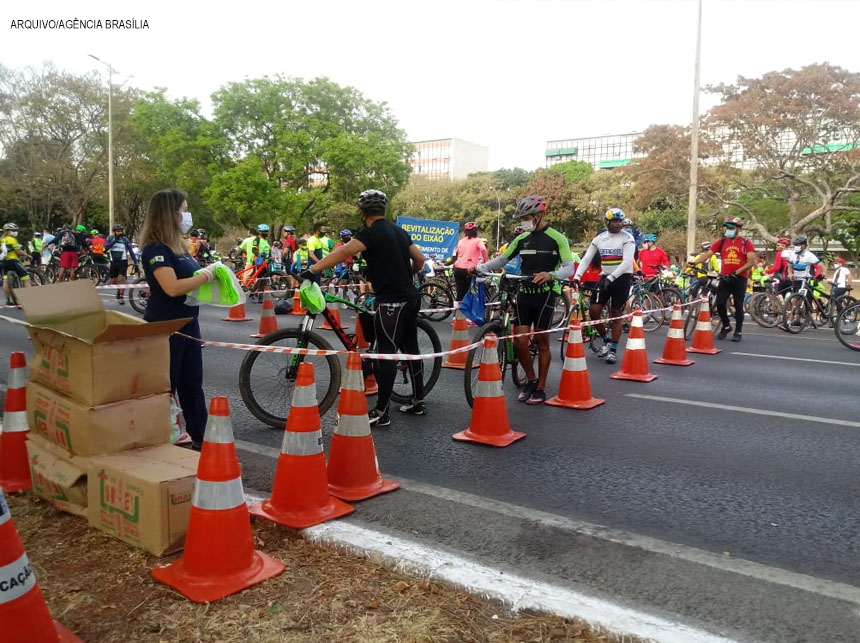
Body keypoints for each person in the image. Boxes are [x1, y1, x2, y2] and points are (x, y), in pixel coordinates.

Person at [301, 189, 426, 426]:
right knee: (412, 349)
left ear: (362, 213)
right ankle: (418, 401)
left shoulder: (369, 234)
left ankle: (381, 412)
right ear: (384, 211)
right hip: (411, 298)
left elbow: (345, 251)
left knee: (385, 354)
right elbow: (420, 260)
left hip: (391, 301)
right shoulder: (400, 232)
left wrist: (314, 270)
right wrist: (407, 275)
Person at [476, 195, 574, 404]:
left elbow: (568, 267)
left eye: (527, 217)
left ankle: (541, 387)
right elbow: (502, 259)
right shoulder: (522, 239)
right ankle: (531, 379)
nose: (524, 221)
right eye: (522, 218)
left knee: (542, 341)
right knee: (520, 342)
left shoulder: (557, 238)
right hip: (524, 294)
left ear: (539, 215)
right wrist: (480, 268)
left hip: (546, 294)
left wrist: (550, 275)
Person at [140, 189, 217, 449]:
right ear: (170, 213)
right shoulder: (155, 249)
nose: (187, 215)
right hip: (166, 327)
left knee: (192, 386)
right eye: (183, 210)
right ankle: (160, 440)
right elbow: (171, 287)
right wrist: (207, 275)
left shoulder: (180, 247)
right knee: (165, 388)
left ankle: (202, 440)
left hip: (188, 324)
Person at [572, 207, 636, 365]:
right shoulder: (600, 238)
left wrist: (613, 277)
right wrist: (577, 277)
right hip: (605, 277)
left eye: (620, 221)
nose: (618, 224)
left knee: (616, 315)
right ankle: (606, 340)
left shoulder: (627, 238)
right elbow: (586, 259)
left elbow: (627, 261)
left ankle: (613, 350)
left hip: (622, 278)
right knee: (594, 312)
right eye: (615, 221)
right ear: (607, 222)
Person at [689, 217, 757, 342]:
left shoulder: (745, 243)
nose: (728, 230)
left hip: (739, 278)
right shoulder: (722, 242)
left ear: (738, 229)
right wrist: (693, 263)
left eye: (731, 228)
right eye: (727, 228)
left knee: (738, 304)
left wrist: (737, 272)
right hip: (725, 277)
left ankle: (738, 331)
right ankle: (726, 326)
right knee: (720, 303)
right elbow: (708, 254)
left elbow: (752, 261)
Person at [452, 222, 488, 302]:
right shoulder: (478, 240)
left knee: (460, 292)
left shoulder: (461, 241)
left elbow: (456, 253)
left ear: (465, 231)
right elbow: (484, 250)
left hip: (457, 268)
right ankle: (467, 310)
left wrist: (455, 262)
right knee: (468, 292)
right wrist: (486, 262)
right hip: (469, 270)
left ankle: (457, 311)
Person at [105, 224, 138, 305]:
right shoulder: (110, 238)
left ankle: (121, 297)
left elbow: (131, 251)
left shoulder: (125, 239)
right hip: (113, 261)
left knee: (121, 278)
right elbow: (105, 248)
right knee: (113, 281)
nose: (120, 232)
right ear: (114, 232)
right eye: (118, 231)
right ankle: (119, 289)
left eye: (121, 230)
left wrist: (135, 261)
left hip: (123, 261)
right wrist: (114, 241)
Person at [782, 235, 821, 304]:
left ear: (805, 246)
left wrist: (822, 274)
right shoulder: (793, 255)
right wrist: (790, 273)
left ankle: (813, 310)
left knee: (806, 301)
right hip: (796, 280)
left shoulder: (809, 255)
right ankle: (797, 313)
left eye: (799, 245)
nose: (797, 247)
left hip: (806, 280)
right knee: (794, 300)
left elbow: (821, 266)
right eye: (795, 245)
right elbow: (789, 266)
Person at [2, 223, 30, 305]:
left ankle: (8, 300)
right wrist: (27, 255)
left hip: (5, 261)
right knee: (26, 278)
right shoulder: (12, 239)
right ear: (8, 231)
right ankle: (30, 297)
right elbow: (18, 251)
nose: (15, 232)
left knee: (6, 280)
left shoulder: (1, 239)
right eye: (14, 230)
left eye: (16, 230)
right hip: (14, 260)